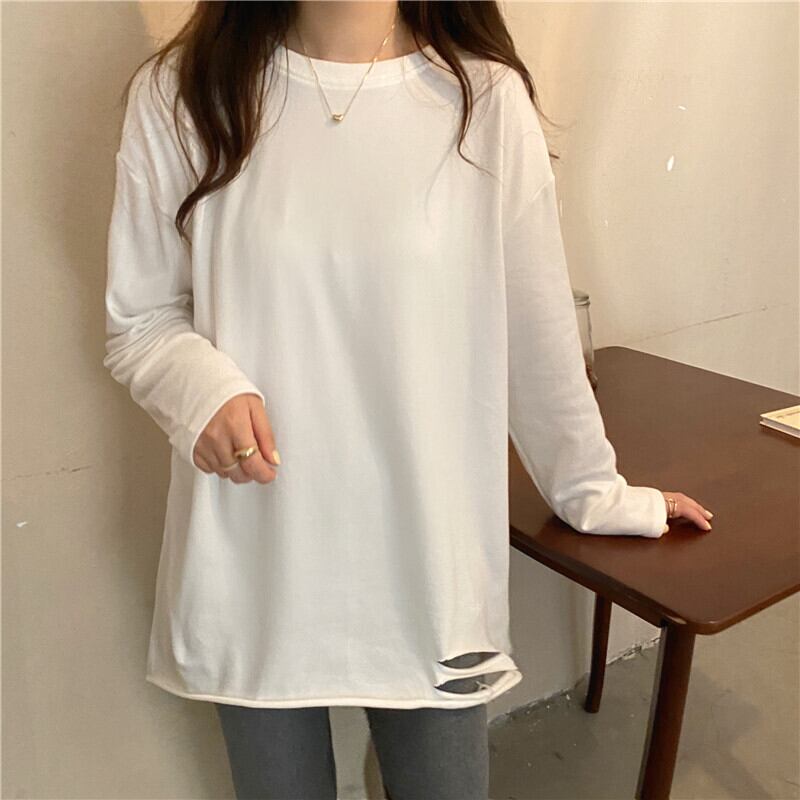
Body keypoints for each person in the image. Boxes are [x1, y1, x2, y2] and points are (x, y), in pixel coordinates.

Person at [102, 2, 714, 798]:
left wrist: (598, 494)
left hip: (428, 561)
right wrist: (204, 392)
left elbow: (537, 341)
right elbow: (140, 318)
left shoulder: (484, 104)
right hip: (255, 554)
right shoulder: (184, 96)